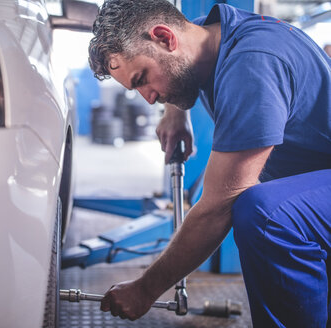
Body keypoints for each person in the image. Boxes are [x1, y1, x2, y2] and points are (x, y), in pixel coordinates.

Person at [88, 0, 331, 327]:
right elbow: (185, 53)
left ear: (164, 37)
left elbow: (217, 209)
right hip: (316, 181)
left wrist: (145, 289)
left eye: (142, 78)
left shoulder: (252, 65)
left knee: (265, 213)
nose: (147, 97)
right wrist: (175, 112)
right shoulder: (210, 33)